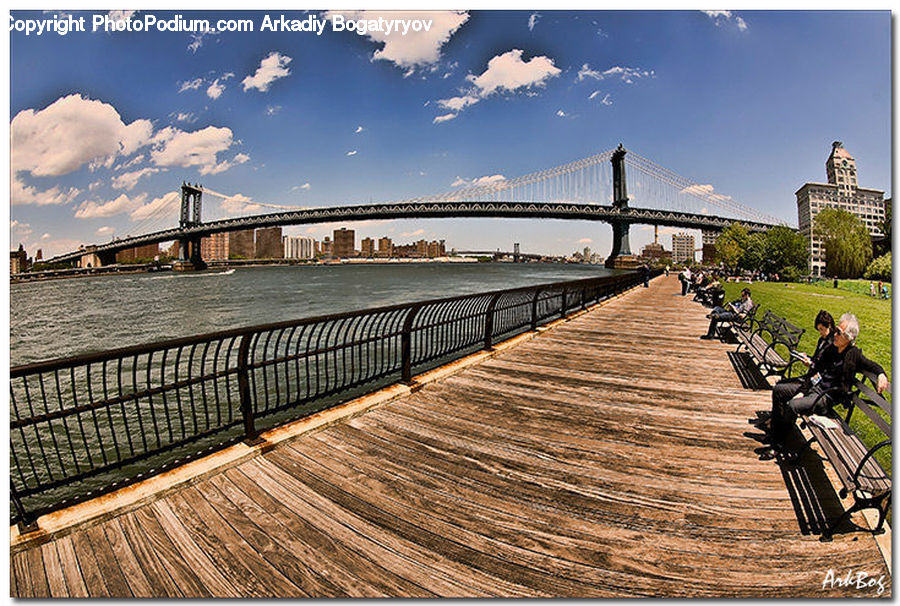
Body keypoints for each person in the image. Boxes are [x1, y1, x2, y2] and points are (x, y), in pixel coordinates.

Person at [760, 312, 888, 458]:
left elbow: (871, 365)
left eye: (839, 332)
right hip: (814, 388)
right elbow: (814, 371)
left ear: (848, 337)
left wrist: (881, 374)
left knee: (792, 405)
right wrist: (802, 390)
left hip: (826, 397)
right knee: (778, 390)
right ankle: (775, 433)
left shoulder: (853, 355)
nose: (835, 334)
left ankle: (778, 446)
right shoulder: (831, 349)